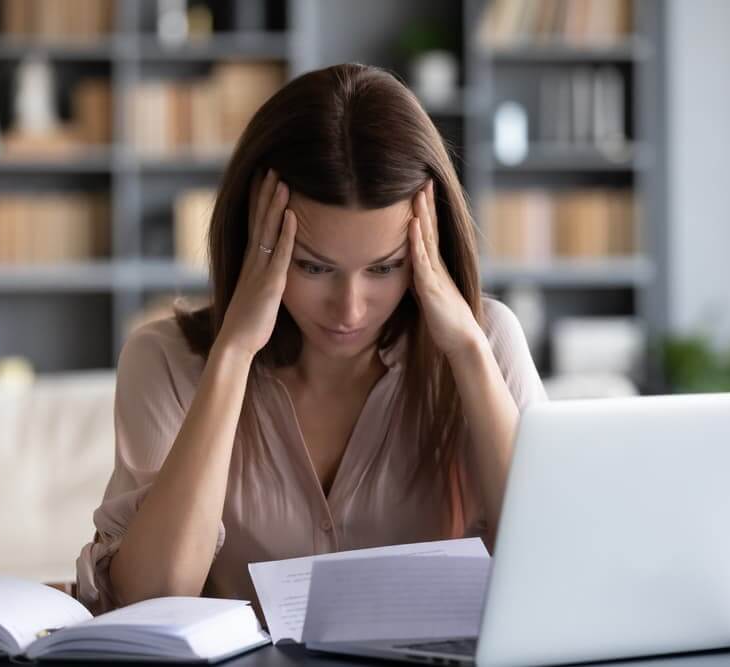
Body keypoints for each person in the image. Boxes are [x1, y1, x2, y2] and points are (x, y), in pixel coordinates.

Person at [75, 63, 546, 616]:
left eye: (385, 268)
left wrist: (468, 353)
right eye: (314, 268)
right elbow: (149, 600)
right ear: (257, 240)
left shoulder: (485, 341)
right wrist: (232, 355)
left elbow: (548, 572)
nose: (349, 309)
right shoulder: (163, 361)